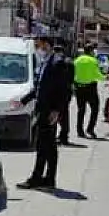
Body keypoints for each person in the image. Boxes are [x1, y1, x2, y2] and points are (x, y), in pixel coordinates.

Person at [16, 36, 69, 190]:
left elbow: (64, 90)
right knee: (50, 146)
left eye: (39, 45)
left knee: (42, 145)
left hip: (49, 111)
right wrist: (23, 100)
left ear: (47, 45)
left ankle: (36, 178)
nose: (38, 48)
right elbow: (39, 88)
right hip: (43, 109)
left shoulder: (57, 63)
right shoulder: (45, 62)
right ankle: (49, 179)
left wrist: (56, 111)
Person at [72, 47, 105, 139]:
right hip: (90, 88)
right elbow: (97, 74)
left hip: (79, 88)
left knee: (81, 110)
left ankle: (80, 131)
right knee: (95, 109)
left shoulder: (77, 60)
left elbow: (73, 74)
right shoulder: (93, 61)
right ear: (90, 51)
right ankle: (90, 129)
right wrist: (105, 77)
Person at [51, 45, 75, 145]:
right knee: (64, 114)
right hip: (66, 91)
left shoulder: (52, 61)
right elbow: (72, 78)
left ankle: (53, 136)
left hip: (54, 91)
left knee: (54, 113)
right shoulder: (69, 62)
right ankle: (64, 136)